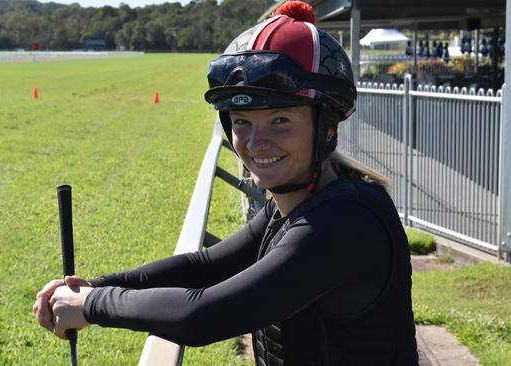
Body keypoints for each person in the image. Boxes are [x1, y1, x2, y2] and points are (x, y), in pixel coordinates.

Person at [33, 1, 419, 364]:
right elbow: (204, 266)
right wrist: (90, 287)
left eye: (280, 121)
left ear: (326, 126)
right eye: (241, 122)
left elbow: (202, 315)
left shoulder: (342, 224)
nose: (256, 143)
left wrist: (93, 304)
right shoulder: (292, 207)